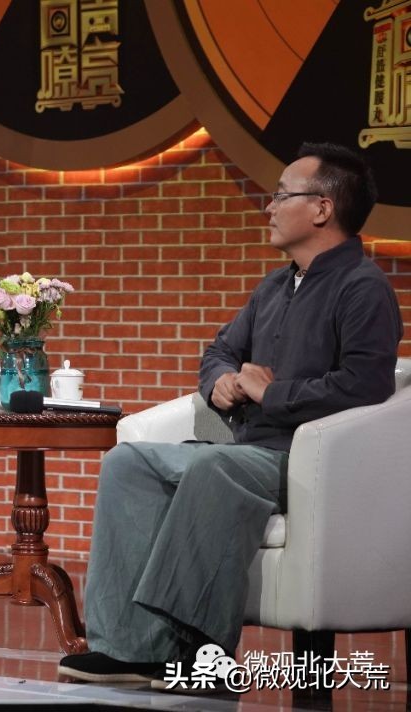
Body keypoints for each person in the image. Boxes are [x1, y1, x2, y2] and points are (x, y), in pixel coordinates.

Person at [59, 142, 403, 685]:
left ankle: (202, 653)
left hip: (307, 461)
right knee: (128, 462)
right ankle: (128, 646)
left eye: (281, 196)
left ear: (322, 208)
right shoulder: (275, 285)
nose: (270, 207)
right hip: (249, 451)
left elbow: (366, 384)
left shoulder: (363, 287)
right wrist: (219, 380)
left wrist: (272, 393)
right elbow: (220, 350)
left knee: (211, 467)